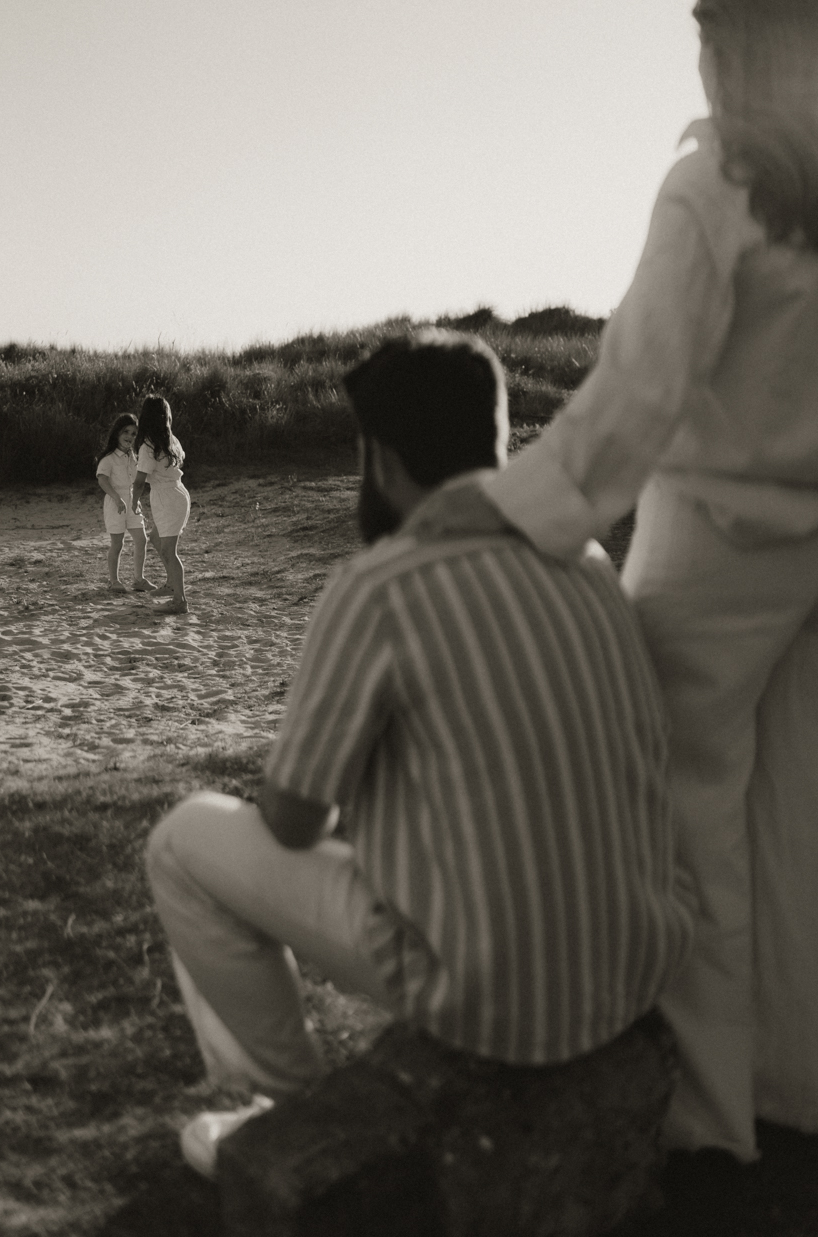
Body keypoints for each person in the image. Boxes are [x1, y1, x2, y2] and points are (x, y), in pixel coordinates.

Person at [145, 330, 693, 1177]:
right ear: (497, 440)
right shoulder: (584, 561)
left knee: (182, 843)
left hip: (490, 996)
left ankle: (288, 1110)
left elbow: (293, 821)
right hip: (634, 964)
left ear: (384, 459)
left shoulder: (382, 587)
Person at [480, 0, 818, 1163]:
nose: (710, 74)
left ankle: (712, 1118)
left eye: (715, 50)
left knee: (690, 826)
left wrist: (508, 507)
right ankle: (794, 1094)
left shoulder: (715, 183)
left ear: (740, 51)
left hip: (716, 545)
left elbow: (637, 392)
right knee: (798, 821)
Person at [132, 394, 191, 615]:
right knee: (156, 539)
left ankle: (180, 600)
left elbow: (139, 482)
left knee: (168, 550)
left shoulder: (149, 444)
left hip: (168, 497)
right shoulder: (170, 439)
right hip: (175, 493)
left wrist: (133, 502)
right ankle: (171, 584)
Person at [95, 413, 148, 594]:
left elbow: (138, 480)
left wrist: (136, 500)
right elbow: (102, 480)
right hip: (115, 503)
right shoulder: (108, 458)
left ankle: (139, 579)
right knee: (117, 544)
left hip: (133, 502)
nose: (130, 437)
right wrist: (117, 498)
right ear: (117, 432)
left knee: (141, 539)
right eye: (126, 432)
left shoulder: (133, 456)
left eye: (134, 434)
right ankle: (114, 581)